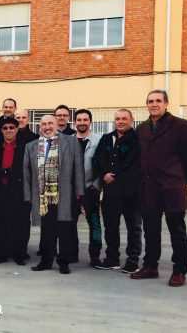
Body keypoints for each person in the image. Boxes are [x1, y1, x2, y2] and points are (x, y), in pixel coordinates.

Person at [132, 90, 187, 287]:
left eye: (158, 101)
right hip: (149, 188)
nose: (154, 104)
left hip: (172, 187)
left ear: (166, 103)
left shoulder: (182, 126)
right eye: (150, 101)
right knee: (150, 230)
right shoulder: (142, 129)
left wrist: (179, 177)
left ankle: (179, 270)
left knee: (177, 230)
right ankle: (150, 266)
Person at [23, 115, 84, 274]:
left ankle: (64, 262)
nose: (47, 127)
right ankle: (46, 261)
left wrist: (80, 193)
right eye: (43, 124)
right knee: (47, 230)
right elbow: (26, 173)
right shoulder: (31, 146)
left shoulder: (71, 142)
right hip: (42, 196)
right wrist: (28, 196)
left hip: (65, 194)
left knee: (65, 230)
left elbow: (78, 168)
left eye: (50, 123)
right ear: (40, 127)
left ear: (57, 125)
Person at [94, 109, 143, 273]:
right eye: (117, 119)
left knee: (133, 228)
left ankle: (133, 261)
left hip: (131, 192)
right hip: (111, 192)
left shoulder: (138, 139)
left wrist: (114, 175)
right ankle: (112, 259)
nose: (120, 121)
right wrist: (104, 174)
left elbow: (134, 163)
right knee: (110, 227)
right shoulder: (107, 138)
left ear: (131, 120)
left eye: (124, 119)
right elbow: (98, 159)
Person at [0, 117, 30, 265]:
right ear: (1, 131)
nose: (9, 130)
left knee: (20, 224)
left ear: (17, 129)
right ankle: (2, 253)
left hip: (18, 191)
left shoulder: (24, 147)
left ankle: (20, 254)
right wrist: (0, 174)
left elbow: (28, 168)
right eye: (5, 128)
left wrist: (12, 174)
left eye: (12, 127)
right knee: (0, 223)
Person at [73, 109, 103, 267]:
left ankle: (95, 256)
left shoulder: (99, 141)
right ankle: (71, 253)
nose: (82, 122)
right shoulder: (68, 141)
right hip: (71, 190)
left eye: (85, 120)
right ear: (75, 122)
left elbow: (103, 164)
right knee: (69, 224)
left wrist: (96, 187)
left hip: (91, 188)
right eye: (79, 120)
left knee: (94, 224)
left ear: (90, 122)